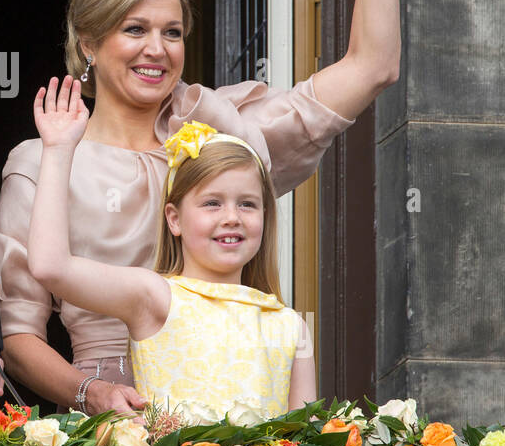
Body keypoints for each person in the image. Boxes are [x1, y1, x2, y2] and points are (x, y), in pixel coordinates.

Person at [0, 0, 404, 414]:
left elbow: (373, 65)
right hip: (114, 423)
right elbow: (17, 334)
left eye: (172, 33)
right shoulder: (43, 162)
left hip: (234, 402)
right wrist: (91, 393)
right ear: (89, 44)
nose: (157, 49)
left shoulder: (221, 130)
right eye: (135, 30)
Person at [26, 79, 313, 418]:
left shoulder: (291, 326)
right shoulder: (154, 296)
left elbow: (304, 445)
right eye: (212, 203)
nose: (232, 217)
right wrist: (58, 150)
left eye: (248, 204)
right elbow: (50, 266)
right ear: (174, 219)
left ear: (266, 216)